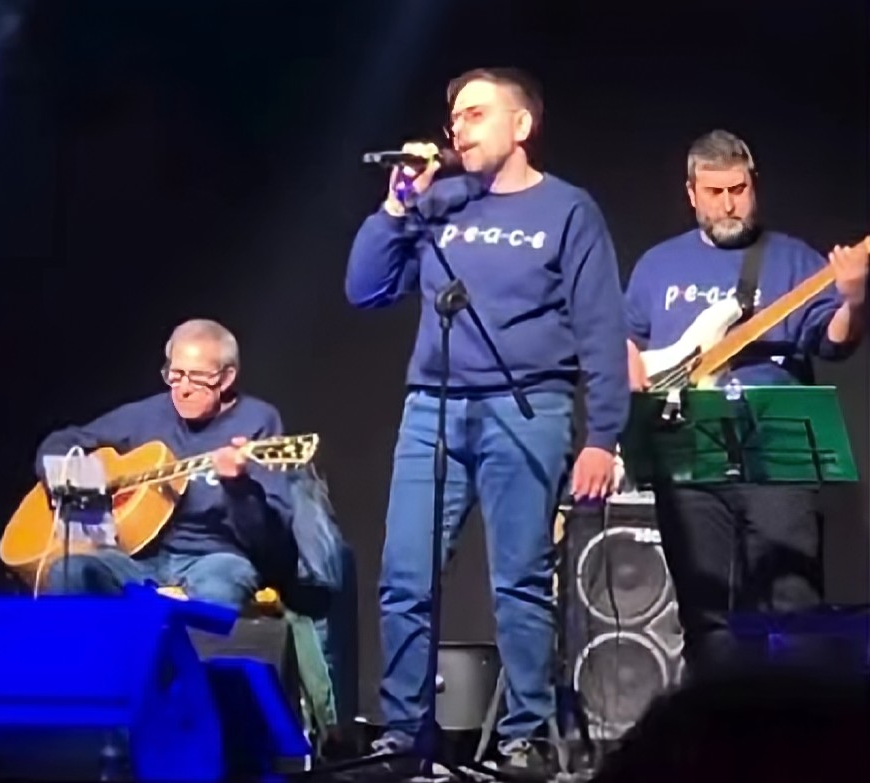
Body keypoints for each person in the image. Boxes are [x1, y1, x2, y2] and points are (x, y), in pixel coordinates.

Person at [346, 66, 630, 774]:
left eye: (476, 114)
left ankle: (524, 735)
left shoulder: (568, 209)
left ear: (521, 125)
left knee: (520, 580)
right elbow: (365, 288)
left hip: (527, 407)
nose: (458, 128)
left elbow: (600, 328)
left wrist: (601, 436)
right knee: (405, 578)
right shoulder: (438, 202)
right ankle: (404, 733)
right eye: (455, 117)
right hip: (433, 409)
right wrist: (394, 206)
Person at [624, 129, 868, 679]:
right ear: (691, 192)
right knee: (704, 612)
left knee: (793, 606)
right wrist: (631, 377)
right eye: (715, 192)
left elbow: (834, 343)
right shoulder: (658, 265)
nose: (729, 203)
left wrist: (854, 300)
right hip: (684, 440)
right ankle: (715, 722)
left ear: (754, 184)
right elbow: (627, 339)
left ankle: (795, 723)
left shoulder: (794, 259)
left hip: (776, 438)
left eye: (739, 189)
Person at [38, 318, 296, 608]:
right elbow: (63, 442)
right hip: (140, 560)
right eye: (175, 374)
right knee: (68, 572)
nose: (182, 389)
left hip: (215, 559)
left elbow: (269, 543)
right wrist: (73, 484)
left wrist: (238, 487)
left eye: (196, 377)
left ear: (225, 378)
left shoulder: (257, 421)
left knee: (220, 587)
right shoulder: (148, 415)